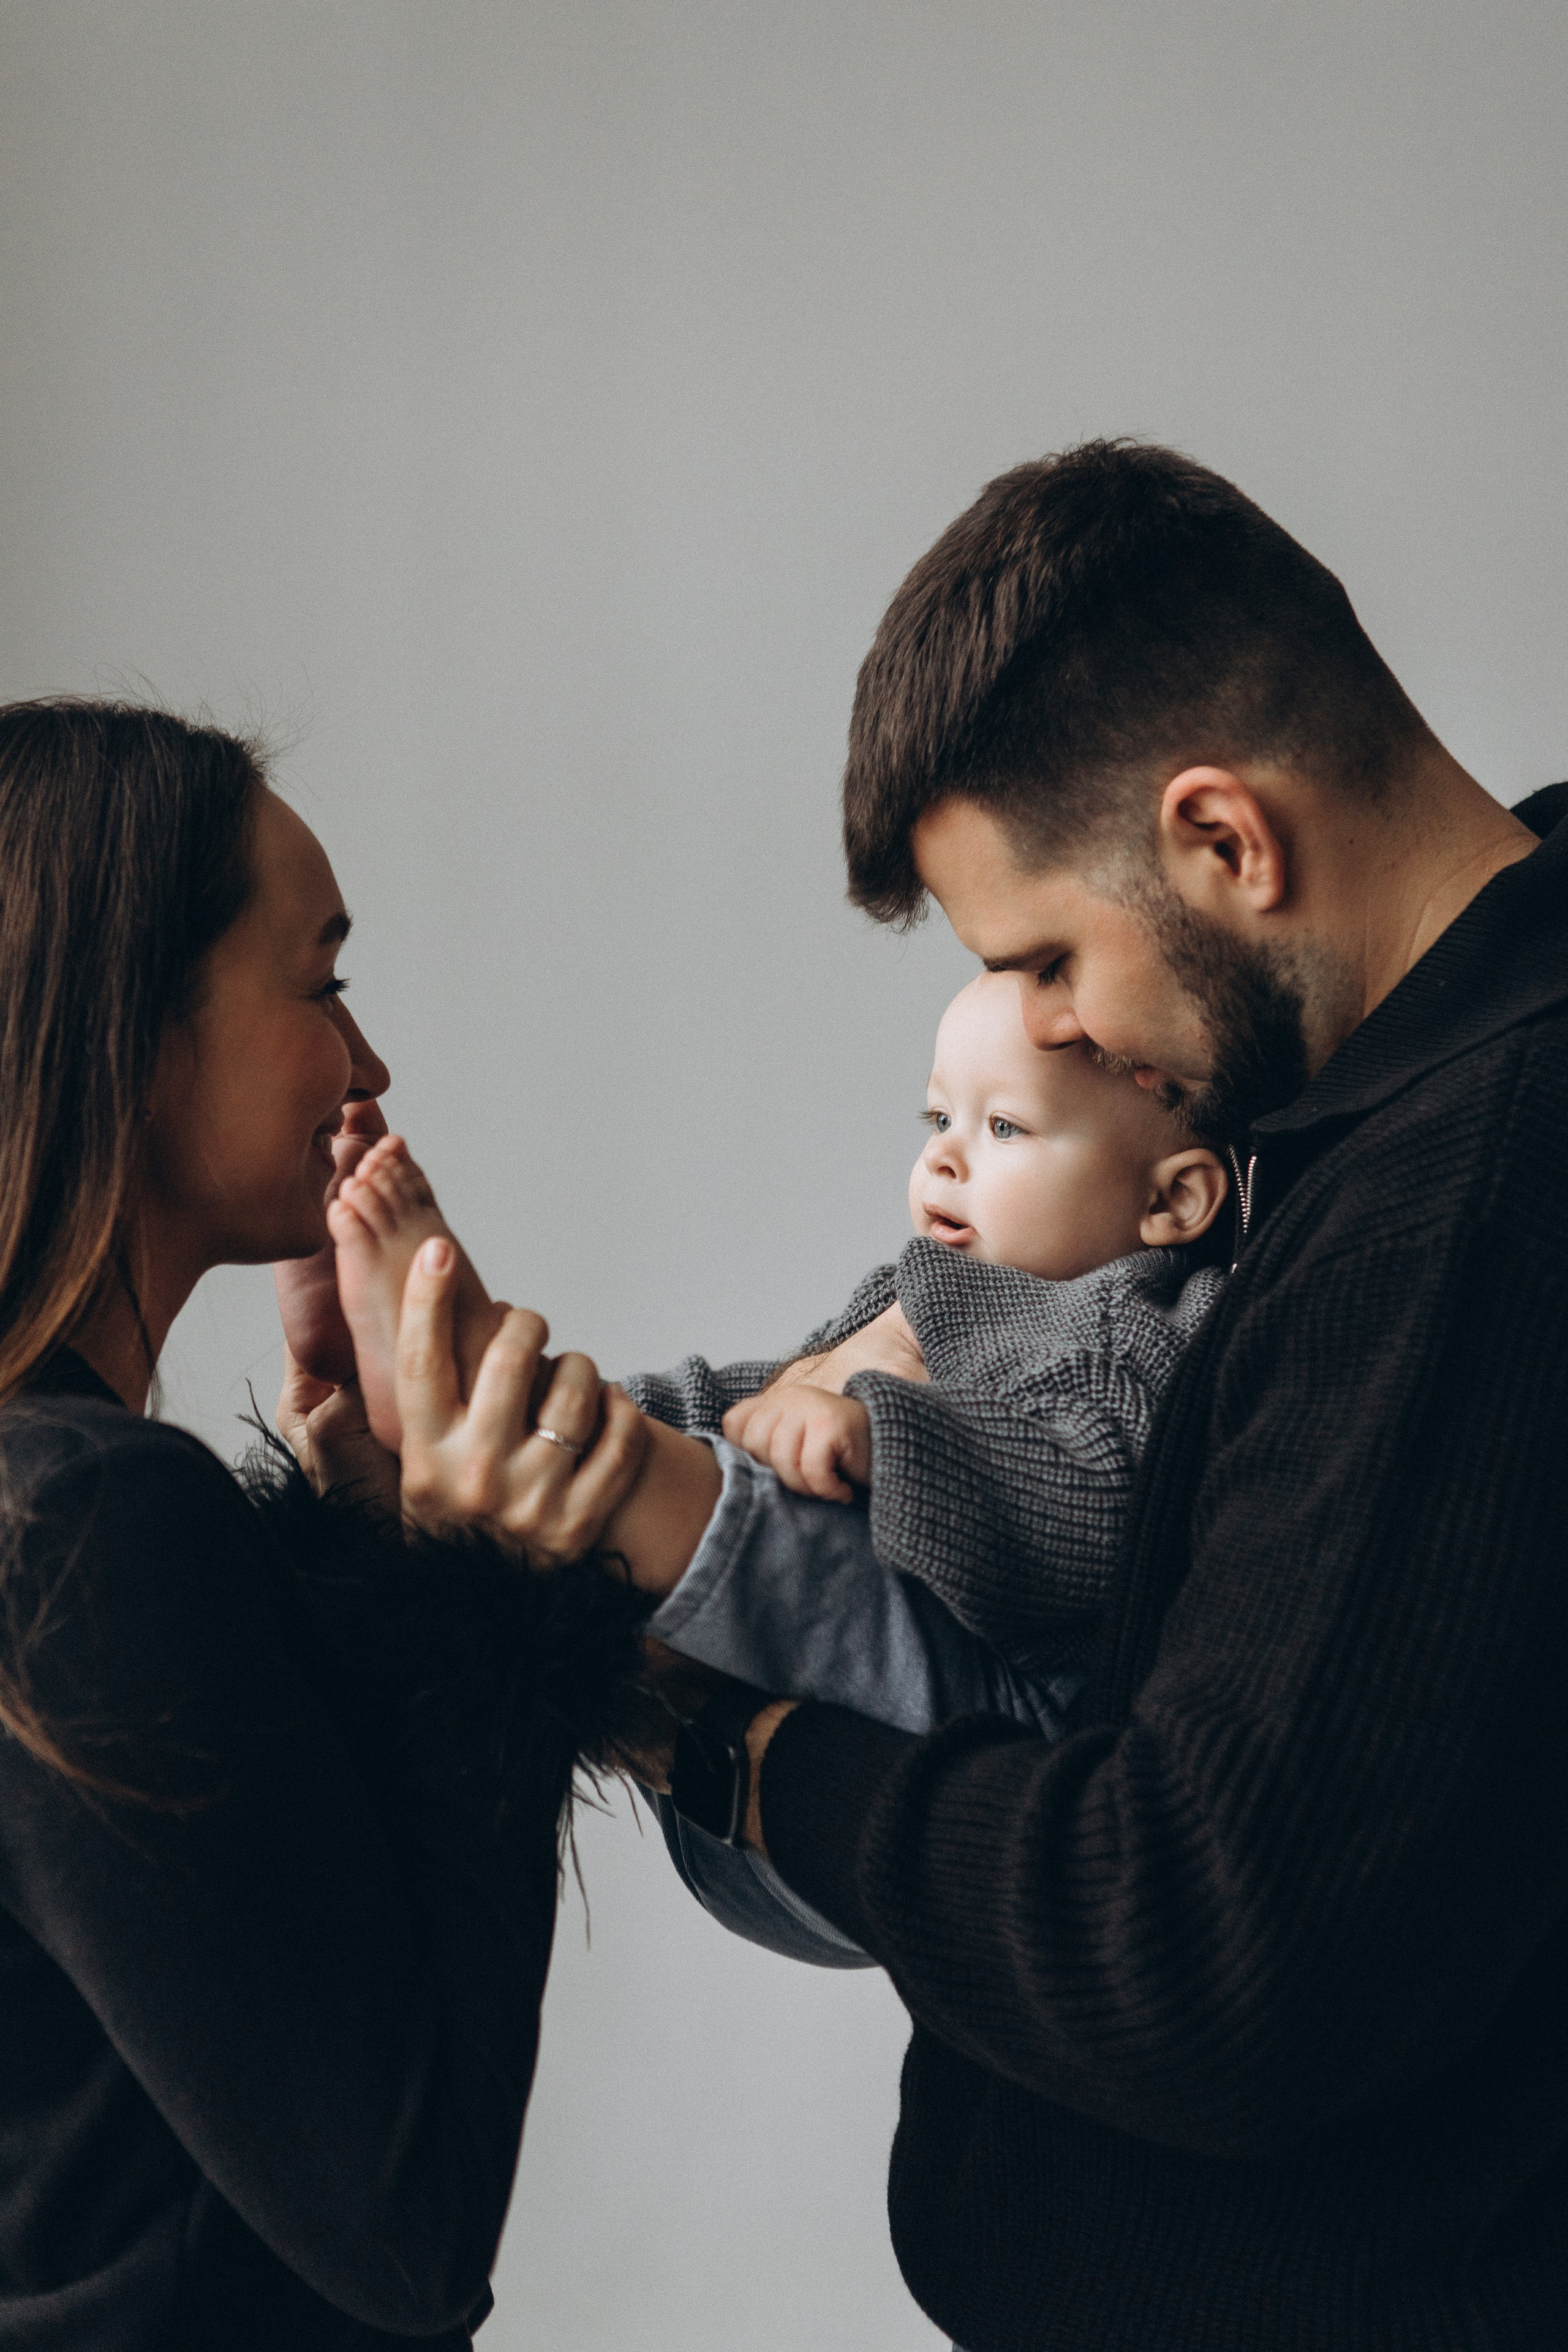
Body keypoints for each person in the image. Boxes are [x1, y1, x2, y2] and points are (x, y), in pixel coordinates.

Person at [318, 440, 1568, 2352]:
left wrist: (755, 1765)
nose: (1059, 1037)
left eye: (1050, 961)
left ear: (1229, 841)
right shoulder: (1358, 1128)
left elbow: (1203, 1957)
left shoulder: (1468, 1196)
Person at [0, 699, 654, 2351]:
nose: (369, 1070)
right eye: (324, 985)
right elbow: (410, 2226)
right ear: (132, 1026)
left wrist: (370, 1528)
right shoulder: (83, 1524)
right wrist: (481, 1569)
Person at [318, 970, 1229, 1961]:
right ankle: (493, 1428)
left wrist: (880, 1434)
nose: (942, 1163)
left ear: (1171, 1200)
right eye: (936, 1119)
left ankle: (489, 1395)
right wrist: (653, 1412)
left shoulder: (1142, 1321)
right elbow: (762, 1400)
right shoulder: (918, 1289)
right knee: (657, 1510)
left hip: (978, 1757)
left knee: (765, 1516)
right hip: (752, 1799)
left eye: (1004, 1129)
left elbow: (1101, 1504)